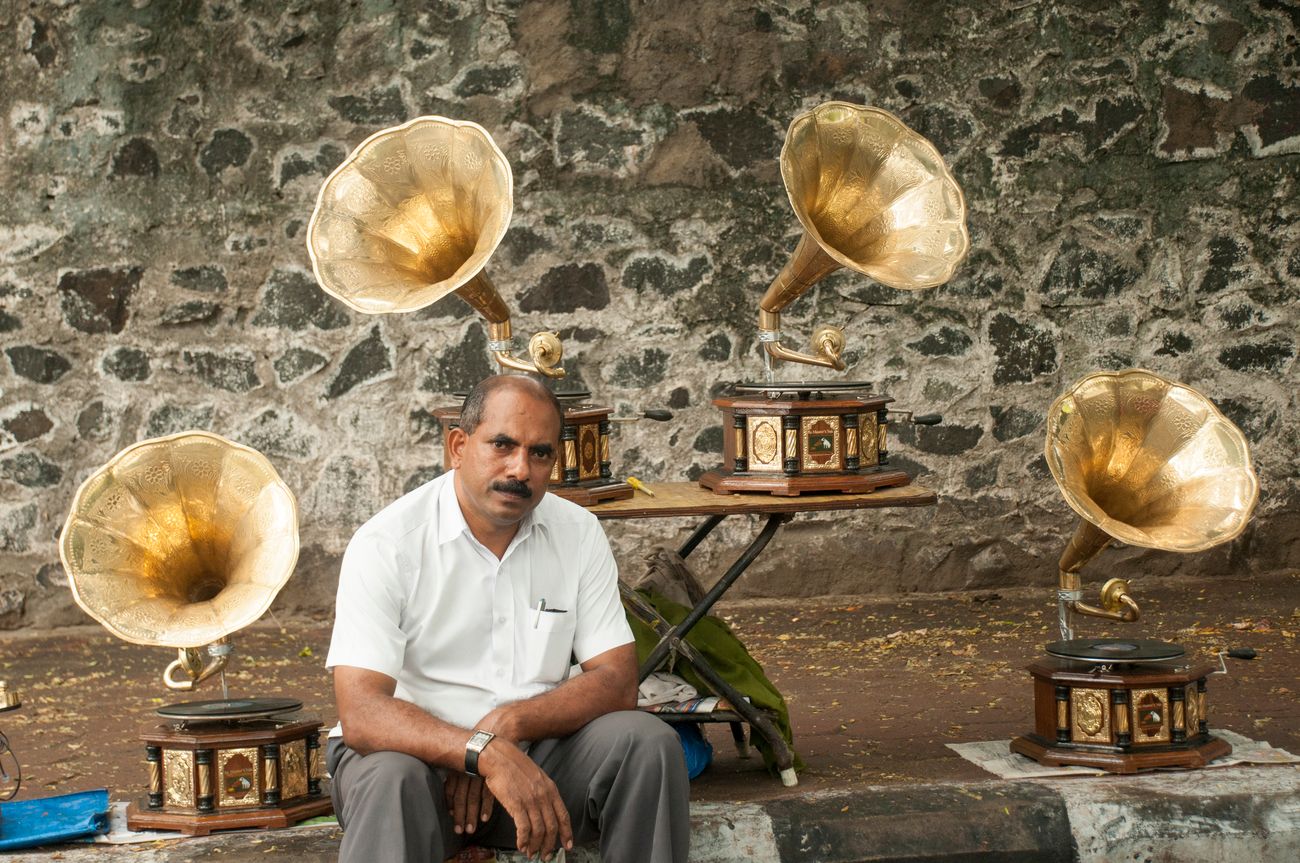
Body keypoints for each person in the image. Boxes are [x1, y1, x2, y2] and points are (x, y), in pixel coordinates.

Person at [325, 375, 690, 863]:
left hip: (535, 758)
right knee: (392, 779)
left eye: (539, 453)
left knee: (649, 745)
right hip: (415, 766)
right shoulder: (387, 543)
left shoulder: (577, 533)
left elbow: (617, 681)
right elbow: (363, 712)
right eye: (502, 445)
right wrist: (476, 751)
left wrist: (506, 730)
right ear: (458, 445)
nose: (520, 469)